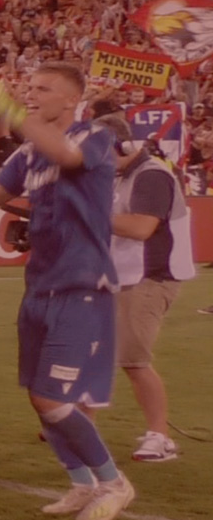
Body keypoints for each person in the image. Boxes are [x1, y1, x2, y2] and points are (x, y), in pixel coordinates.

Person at [0, 64, 135, 520]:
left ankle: (114, 482)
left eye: (43, 89)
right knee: (38, 397)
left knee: (52, 398)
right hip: (40, 286)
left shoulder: (95, 137)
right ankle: (82, 484)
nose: (32, 94)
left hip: (82, 285)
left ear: (71, 100)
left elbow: (65, 154)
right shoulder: (28, 154)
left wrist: (7, 107)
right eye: (29, 88)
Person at [99, 114, 195, 463]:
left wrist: (87, 213)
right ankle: (77, 423)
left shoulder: (151, 174)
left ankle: (160, 436)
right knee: (96, 354)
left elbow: (141, 227)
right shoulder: (122, 174)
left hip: (151, 278)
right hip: (125, 276)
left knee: (134, 360)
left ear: (121, 146)